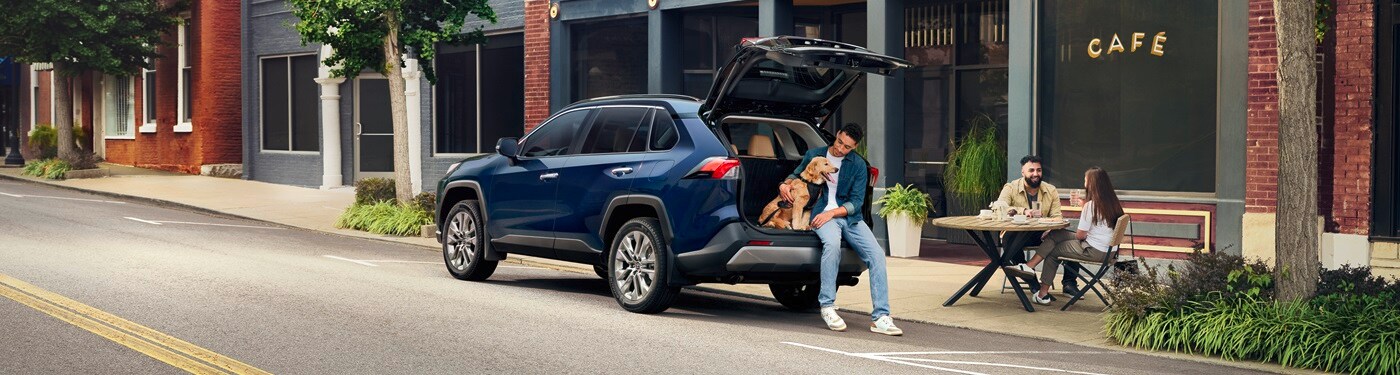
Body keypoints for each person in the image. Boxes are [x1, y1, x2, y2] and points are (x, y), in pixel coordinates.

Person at [779, 123, 901, 336]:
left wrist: (832, 213)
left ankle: (881, 317)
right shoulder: (815, 155)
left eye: (847, 147)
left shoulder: (858, 165)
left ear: (854, 148)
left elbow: (856, 202)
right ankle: (827, 307)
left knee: (877, 256)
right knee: (832, 245)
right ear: (837, 136)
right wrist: (784, 184)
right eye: (839, 143)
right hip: (820, 213)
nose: (840, 149)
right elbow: (796, 174)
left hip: (848, 217)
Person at [1004, 167, 1124, 305]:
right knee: (1056, 233)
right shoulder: (1112, 204)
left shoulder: (1091, 206)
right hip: (1109, 251)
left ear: (1091, 184)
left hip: (1094, 250)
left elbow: (1080, 235)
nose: (1084, 183)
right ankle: (1028, 266)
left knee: (1053, 252)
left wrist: (1084, 210)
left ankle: (1042, 294)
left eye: (1085, 180)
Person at [995, 155, 1081, 295]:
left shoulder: (1050, 190)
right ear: (1023, 172)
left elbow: (1057, 216)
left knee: (1072, 238)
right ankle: (1033, 282)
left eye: (1039, 170)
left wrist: (1051, 228)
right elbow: (1000, 207)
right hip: (1017, 232)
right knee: (1009, 240)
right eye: (1031, 170)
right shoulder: (1010, 188)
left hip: (1042, 233)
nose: (1036, 174)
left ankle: (1069, 284)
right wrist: (1024, 211)